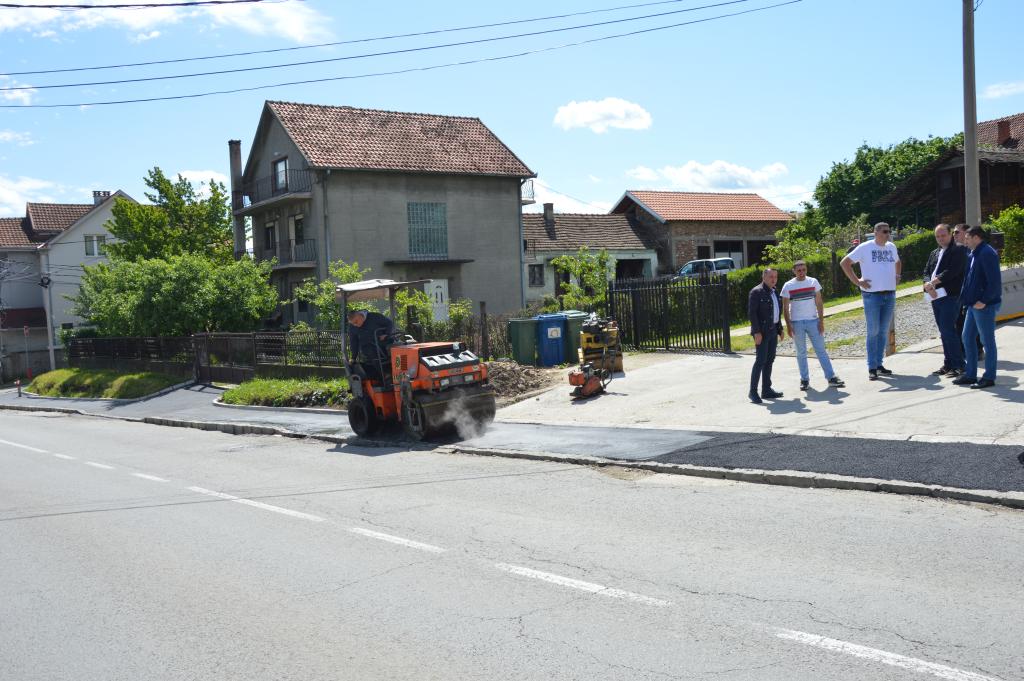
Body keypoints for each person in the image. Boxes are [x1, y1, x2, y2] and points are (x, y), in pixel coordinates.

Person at [840, 222, 902, 380]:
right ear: (875, 232)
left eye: (889, 231)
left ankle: (879, 364)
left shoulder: (891, 247)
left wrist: (897, 275)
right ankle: (872, 367)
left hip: (889, 294)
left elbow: (897, 262)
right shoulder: (865, 247)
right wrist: (858, 281)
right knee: (873, 331)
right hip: (872, 295)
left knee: (883, 332)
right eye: (884, 232)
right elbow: (845, 263)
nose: (887, 234)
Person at [780, 260, 845, 391]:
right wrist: (788, 325)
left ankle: (831, 377)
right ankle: (804, 380)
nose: (802, 272)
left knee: (821, 350)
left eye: (804, 270)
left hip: (813, 321)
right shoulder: (788, 286)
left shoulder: (813, 282)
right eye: (799, 270)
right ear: (794, 271)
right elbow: (785, 308)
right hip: (797, 323)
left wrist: (821, 321)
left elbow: (819, 303)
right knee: (801, 352)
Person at [953, 226, 1002, 389]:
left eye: (967, 237)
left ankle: (989, 377)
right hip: (972, 304)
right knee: (967, 337)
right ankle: (970, 374)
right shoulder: (974, 253)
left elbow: (994, 282)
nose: (964, 240)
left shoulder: (987, 253)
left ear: (976, 237)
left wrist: (984, 300)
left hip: (983, 305)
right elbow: (969, 280)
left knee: (987, 341)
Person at [922, 223, 968, 377]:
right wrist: (927, 285)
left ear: (950, 234)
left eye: (943, 235)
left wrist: (933, 283)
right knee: (943, 331)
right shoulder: (934, 252)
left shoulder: (959, 250)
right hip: (935, 296)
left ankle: (959, 365)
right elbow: (926, 271)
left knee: (949, 330)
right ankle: (949, 364)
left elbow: (952, 271)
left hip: (951, 296)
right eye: (938, 236)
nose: (941, 239)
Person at [747, 268, 784, 404]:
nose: (773, 279)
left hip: (773, 330)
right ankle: (753, 392)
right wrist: (756, 332)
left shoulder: (775, 291)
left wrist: (780, 329)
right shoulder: (756, 292)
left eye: (775, 277)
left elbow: (776, 312)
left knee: (769, 360)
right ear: (764, 277)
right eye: (770, 277)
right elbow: (752, 314)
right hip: (761, 332)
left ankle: (766, 390)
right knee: (760, 360)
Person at [347, 309, 396, 381]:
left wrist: (387, 334)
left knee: (394, 349)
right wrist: (353, 357)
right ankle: (385, 375)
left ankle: (395, 373)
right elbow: (354, 342)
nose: (355, 325)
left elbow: (389, 323)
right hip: (368, 348)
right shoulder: (352, 327)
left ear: (360, 315)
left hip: (383, 342)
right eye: (353, 324)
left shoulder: (375, 317)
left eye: (356, 322)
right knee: (370, 352)